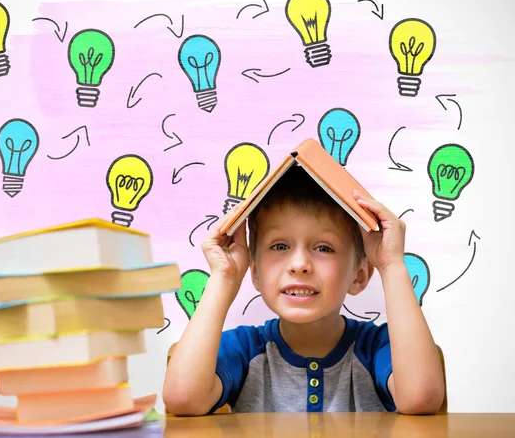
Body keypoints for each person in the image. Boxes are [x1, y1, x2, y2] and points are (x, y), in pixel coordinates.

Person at [163, 165, 445, 415]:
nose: (299, 264)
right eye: (280, 246)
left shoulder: (378, 348)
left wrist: (391, 264)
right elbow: (183, 399)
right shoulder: (244, 349)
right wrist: (223, 277)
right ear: (256, 273)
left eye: (324, 248)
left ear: (358, 276)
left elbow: (420, 398)